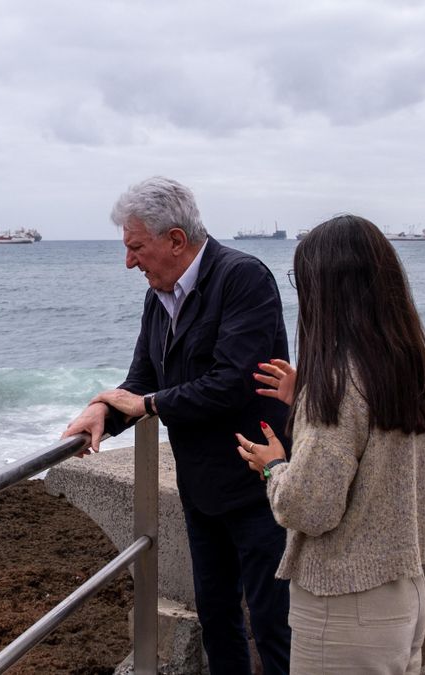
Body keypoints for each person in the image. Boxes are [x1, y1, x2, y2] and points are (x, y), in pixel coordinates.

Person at [63, 176, 292, 674]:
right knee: (217, 618)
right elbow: (142, 381)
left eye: (136, 248)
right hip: (201, 488)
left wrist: (146, 404)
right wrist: (102, 411)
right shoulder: (158, 295)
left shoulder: (243, 278)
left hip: (257, 483)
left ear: (175, 240)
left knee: (275, 624)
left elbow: (233, 382)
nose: (129, 262)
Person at [236, 214, 425, 674]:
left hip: (344, 604)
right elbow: (371, 442)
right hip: (404, 592)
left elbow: (309, 508)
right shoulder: (407, 365)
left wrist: (274, 467)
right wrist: (306, 401)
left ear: (326, 290)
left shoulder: (337, 384)